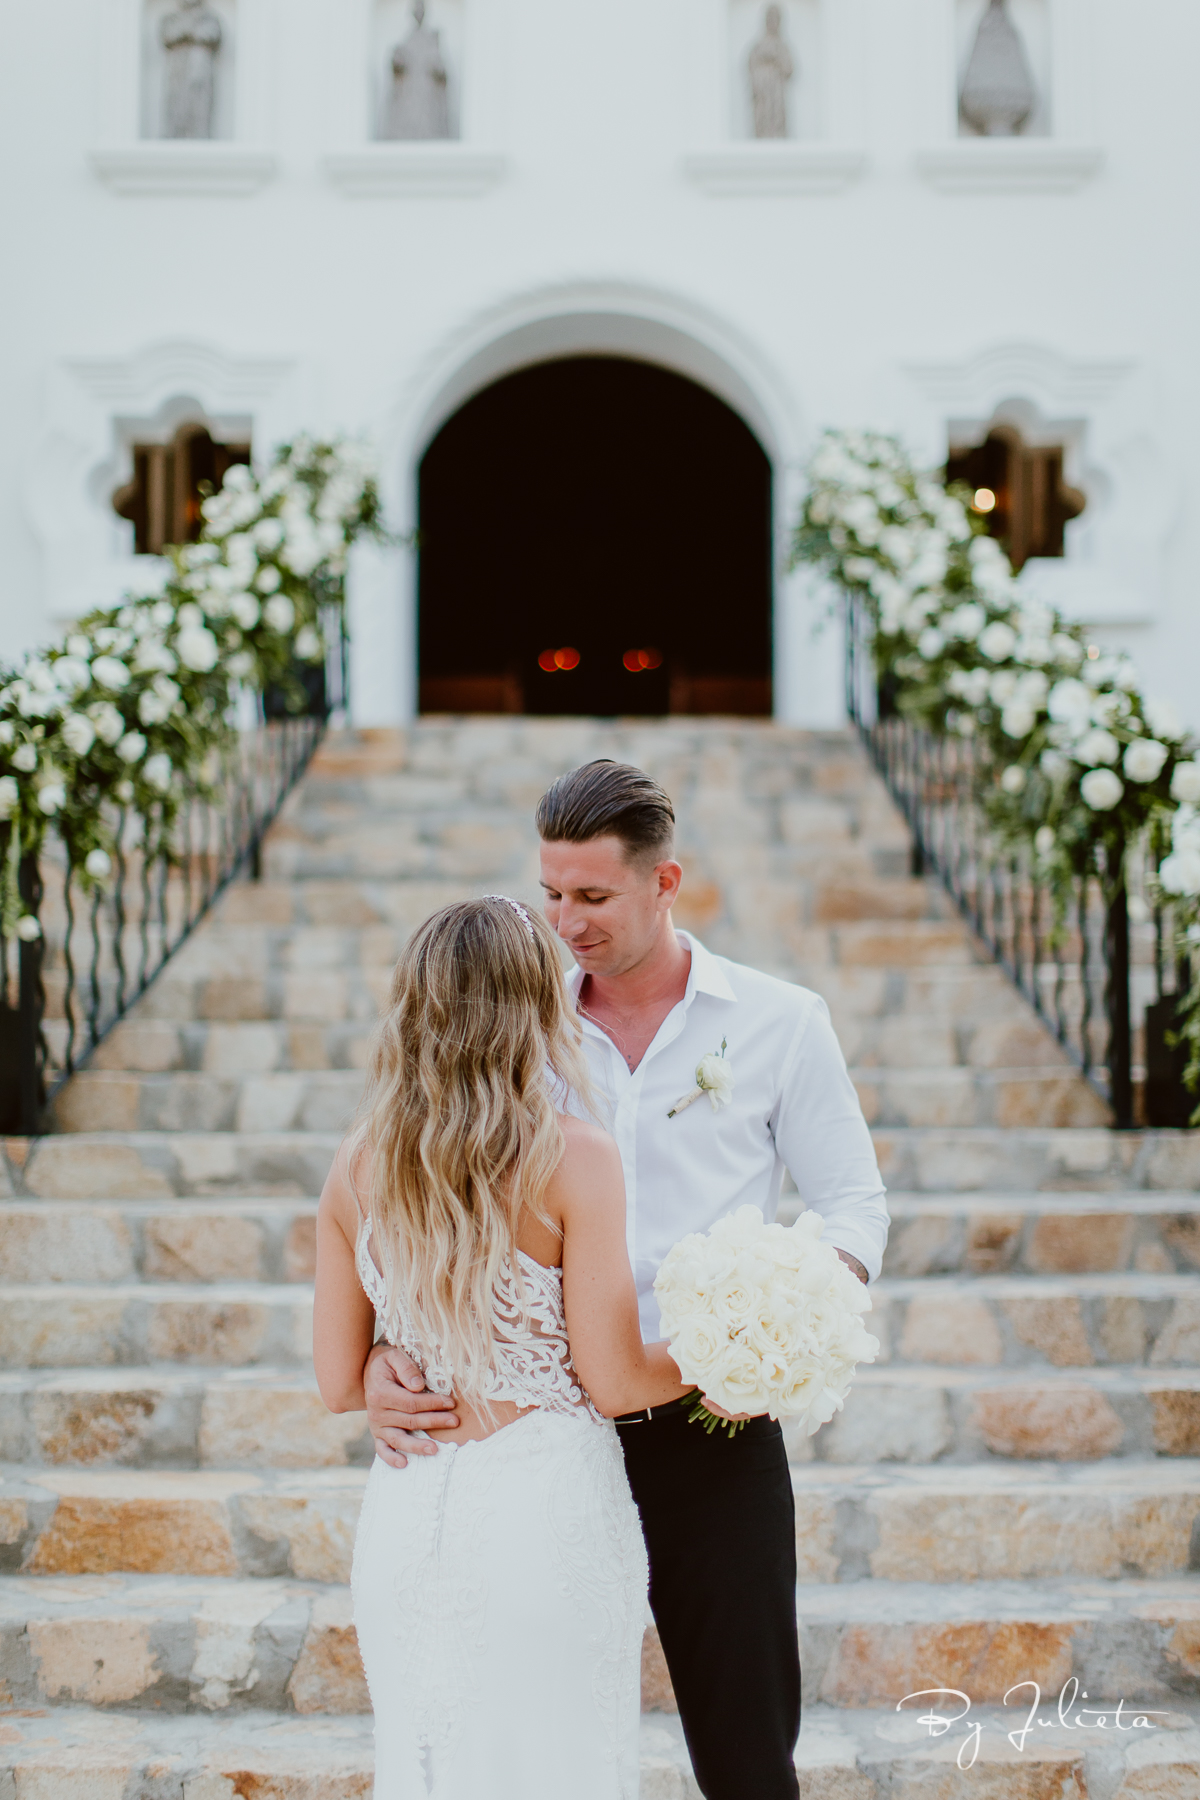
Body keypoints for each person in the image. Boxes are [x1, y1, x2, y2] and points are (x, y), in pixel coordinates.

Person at [363, 761, 890, 1800]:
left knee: (745, 1748)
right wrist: (392, 1339)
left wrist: (788, 1327)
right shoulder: (512, 1026)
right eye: (551, 893)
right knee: (538, 1742)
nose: (565, 921)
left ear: (665, 882)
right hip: (545, 1435)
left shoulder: (783, 1022)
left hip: (710, 1415)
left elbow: (853, 1205)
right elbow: (431, 1189)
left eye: (593, 897)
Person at [314, 894, 691, 1798]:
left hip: (409, 1526)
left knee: (427, 1765)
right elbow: (612, 1381)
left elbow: (336, 1380)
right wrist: (729, 1351)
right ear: (538, 1009)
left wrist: (375, 1367)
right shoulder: (575, 1158)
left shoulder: (357, 1164)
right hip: (546, 1518)